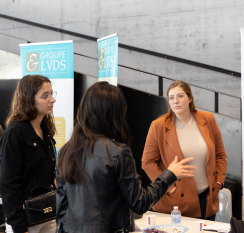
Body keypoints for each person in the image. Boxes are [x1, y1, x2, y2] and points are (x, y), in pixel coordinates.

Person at [56, 82, 196, 233]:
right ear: (114, 114)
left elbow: (61, 207)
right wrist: (169, 175)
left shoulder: (66, 151)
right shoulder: (118, 152)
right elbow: (140, 203)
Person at [142, 80, 227, 220]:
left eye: (180, 96)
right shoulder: (158, 126)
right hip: (175, 202)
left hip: (206, 198)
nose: (176, 101)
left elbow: (220, 155)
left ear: (190, 98)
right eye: (171, 97)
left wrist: (218, 182)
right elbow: (147, 163)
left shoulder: (208, 119)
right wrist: (169, 187)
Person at [0, 75, 57, 233]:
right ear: (28, 99)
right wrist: (19, 226)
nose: (52, 99)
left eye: (52, 93)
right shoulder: (14, 133)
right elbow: (9, 184)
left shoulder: (46, 130)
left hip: (48, 213)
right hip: (25, 220)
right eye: (45, 95)